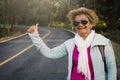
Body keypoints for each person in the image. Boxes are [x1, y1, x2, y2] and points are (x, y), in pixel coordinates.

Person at [27, 7, 117, 80]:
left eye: (84, 21)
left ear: (91, 24)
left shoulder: (103, 42)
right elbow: (50, 53)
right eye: (76, 23)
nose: (80, 24)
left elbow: (111, 68)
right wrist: (35, 36)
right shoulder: (70, 44)